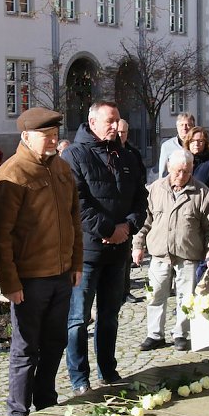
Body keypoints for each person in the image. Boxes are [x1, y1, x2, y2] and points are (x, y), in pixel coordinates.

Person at [0, 107, 84, 416]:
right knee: (26, 348)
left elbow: (74, 218)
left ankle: (45, 400)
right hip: (29, 279)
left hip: (61, 274)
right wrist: (10, 282)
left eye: (56, 136)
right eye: (46, 137)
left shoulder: (60, 168)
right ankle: (17, 411)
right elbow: (0, 234)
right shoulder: (13, 173)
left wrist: (76, 262)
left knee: (55, 341)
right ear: (26, 136)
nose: (53, 142)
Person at [62, 102, 147, 395]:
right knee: (78, 319)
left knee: (110, 315)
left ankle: (108, 371)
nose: (115, 126)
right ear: (92, 121)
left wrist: (129, 226)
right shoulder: (74, 155)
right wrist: (109, 229)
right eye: (109, 121)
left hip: (117, 252)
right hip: (87, 253)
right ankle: (79, 378)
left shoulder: (126, 156)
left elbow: (140, 198)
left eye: (117, 121)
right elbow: (78, 203)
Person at [132, 150, 209, 351]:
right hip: (160, 252)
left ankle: (181, 334)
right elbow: (144, 222)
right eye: (177, 171)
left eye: (187, 171)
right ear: (168, 168)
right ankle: (154, 334)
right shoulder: (155, 189)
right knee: (155, 294)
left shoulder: (202, 193)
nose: (181, 176)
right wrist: (138, 245)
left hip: (189, 252)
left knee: (186, 296)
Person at [118, 119, 147, 304]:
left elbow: (140, 181)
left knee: (126, 256)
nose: (120, 135)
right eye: (118, 131)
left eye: (124, 132)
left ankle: (125, 290)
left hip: (128, 212)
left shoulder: (133, 154)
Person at [183, 126, 209, 200]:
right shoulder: (182, 161)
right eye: (192, 141)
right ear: (188, 143)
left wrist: (199, 198)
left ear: (205, 143)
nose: (196, 144)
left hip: (203, 206)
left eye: (200, 141)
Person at [157, 113, 195, 178]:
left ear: (193, 127)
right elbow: (163, 173)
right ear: (177, 127)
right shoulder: (167, 146)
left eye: (188, 125)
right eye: (181, 125)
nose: (184, 128)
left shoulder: (197, 145)